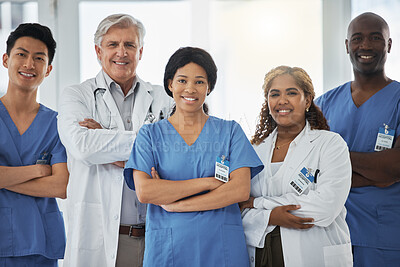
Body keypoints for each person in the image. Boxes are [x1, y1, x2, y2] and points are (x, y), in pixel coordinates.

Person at [123, 47, 264, 267]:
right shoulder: (149, 135)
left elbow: (239, 190)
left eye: (199, 81)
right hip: (169, 249)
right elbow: (145, 191)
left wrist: (176, 204)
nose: (190, 88)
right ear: (170, 84)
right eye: (182, 80)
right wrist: (209, 183)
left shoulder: (230, 131)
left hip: (221, 246)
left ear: (209, 87)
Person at [58, 14, 172, 267]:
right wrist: (148, 144)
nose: (122, 52)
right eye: (113, 45)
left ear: (140, 51)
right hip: (101, 238)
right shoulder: (77, 95)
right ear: (98, 51)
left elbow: (176, 152)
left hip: (156, 235)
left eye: (129, 45)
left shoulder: (164, 99)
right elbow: (83, 146)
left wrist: (105, 136)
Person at [241, 66, 353, 267]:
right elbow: (239, 209)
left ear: (308, 100)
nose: (282, 100)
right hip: (262, 254)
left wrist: (259, 204)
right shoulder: (253, 149)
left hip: (313, 253)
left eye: (291, 93)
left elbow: (325, 207)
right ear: (267, 102)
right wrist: (271, 215)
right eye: (274, 94)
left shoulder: (330, 144)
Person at [315, 12, 400, 267]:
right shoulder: (323, 104)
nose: (365, 45)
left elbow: (395, 165)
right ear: (346, 46)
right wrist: (378, 175)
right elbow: (308, 167)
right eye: (357, 38)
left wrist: (335, 161)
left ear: (388, 45)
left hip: (383, 233)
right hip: (331, 230)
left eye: (375, 37)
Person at [0, 23, 68, 266]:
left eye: (38, 58)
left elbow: (60, 185)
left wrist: (5, 178)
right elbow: (49, 180)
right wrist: (36, 171)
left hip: (41, 244)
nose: (29, 64)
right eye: (21, 54)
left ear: (48, 69)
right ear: (6, 59)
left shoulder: (58, 124)